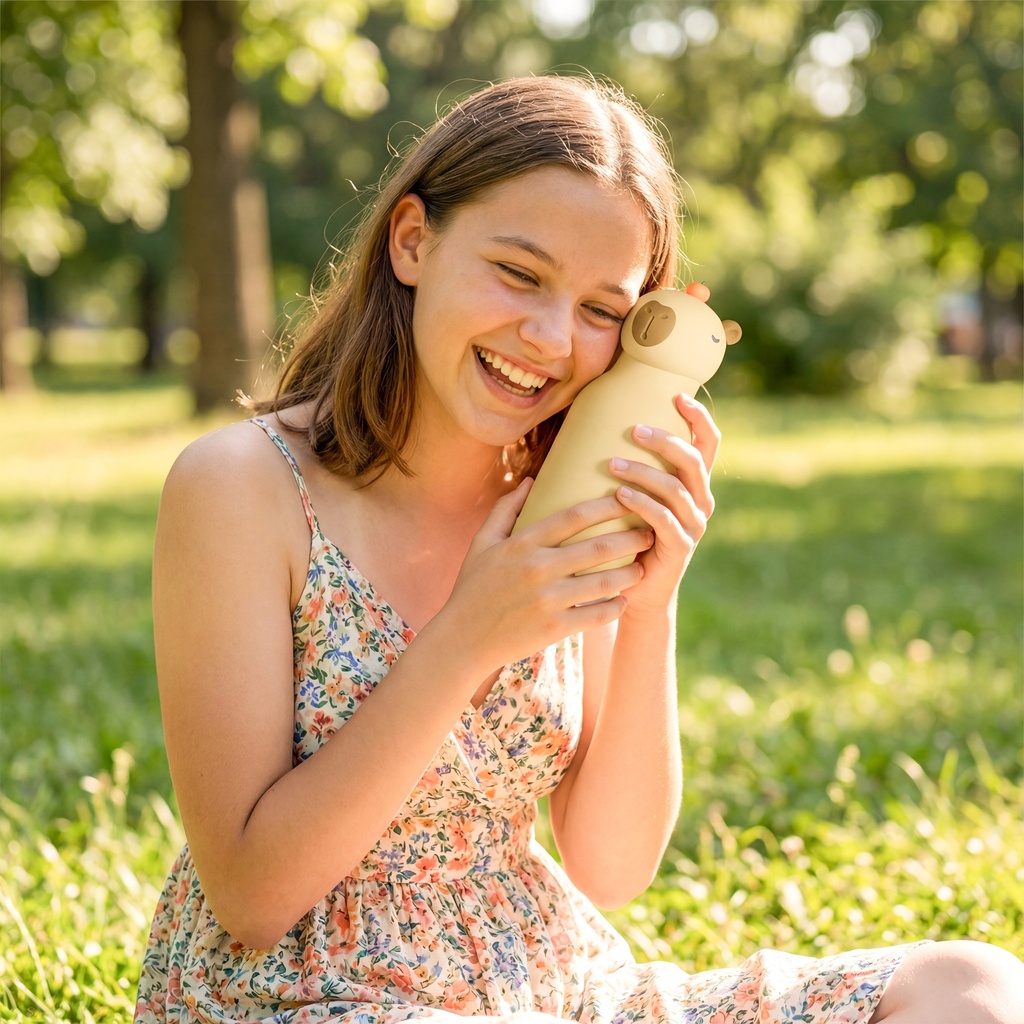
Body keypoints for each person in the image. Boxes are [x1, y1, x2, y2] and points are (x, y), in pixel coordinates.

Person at [135, 74, 1023, 1024]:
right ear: (412, 241)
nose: (552, 338)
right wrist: (470, 636)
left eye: (604, 308)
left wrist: (649, 604)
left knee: (970, 989)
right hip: (312, 995)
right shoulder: (243, 488)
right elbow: (252, 898)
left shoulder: (566, 493)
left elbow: (609, 866)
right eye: (519, 274)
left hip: (542, 988)